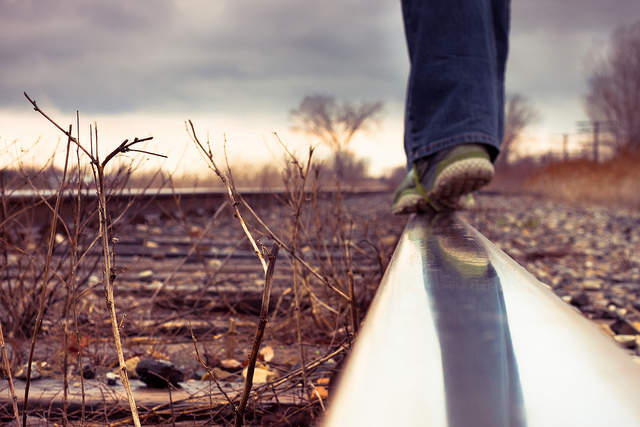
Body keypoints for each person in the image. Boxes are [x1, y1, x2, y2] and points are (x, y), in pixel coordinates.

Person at [392, 0, 511, 214]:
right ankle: (474, 134)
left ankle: (445, 143)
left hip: (446, 128)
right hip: (486, 122)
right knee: (490, 13)